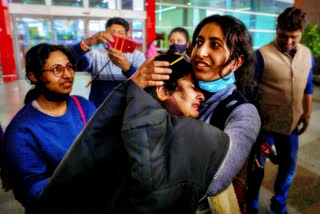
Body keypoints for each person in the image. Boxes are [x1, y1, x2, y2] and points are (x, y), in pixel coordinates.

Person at [36, 53, 231, 214]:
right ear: (163, 90)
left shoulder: (132, 121)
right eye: (193, 87)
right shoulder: (153, 130)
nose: (202, 95)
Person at [131, 14, 261, 213]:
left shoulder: (242, 113)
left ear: (236, 62)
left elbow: (212, 181)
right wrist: (133, 86)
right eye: (199, 42)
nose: (200, 52)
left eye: (215, 45)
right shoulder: (175, 85)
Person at [2, 43, 96, 211]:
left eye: (69, 67)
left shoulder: (83, 106)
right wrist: (81, 176)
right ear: (34, 76)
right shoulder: (22, 131)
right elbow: (30, 191)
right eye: (56, 70)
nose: (67, 75)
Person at [247, 7, 314, 214]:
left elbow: (308, 85)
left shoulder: (307, 54)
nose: (288, 42)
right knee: (257, 168)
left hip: (291, 123)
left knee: (289, 167)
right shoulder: (261, 55)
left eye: (293, 37)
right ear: (276, 30)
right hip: (264, 125)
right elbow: (249, 92)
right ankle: (252, 206)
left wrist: (307, 112)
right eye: (282, 36)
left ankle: (278, 205)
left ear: (301, 32)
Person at [71, 17, 146, 107]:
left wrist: (127, 67)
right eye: (111, 31)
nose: (115, 35)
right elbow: (71, 63)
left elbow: (143, 82)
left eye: (120, 32)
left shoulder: (137, 56)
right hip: (99, 109)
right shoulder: (95, 54)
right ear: (104, 33)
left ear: (126, 36)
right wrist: (89, 42)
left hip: (127, 109)